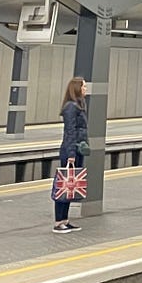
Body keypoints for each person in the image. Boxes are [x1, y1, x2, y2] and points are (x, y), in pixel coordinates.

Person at [53, 76, 88, 233]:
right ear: (77, 88)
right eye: (83, 86)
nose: (85, 89)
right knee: (64, 185)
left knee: (70, 186)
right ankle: (58, 221)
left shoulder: (78, 105)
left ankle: (65, 220)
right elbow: (70, 132)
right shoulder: (71, 107)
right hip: (70, 150)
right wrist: (71, 153)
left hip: (76, 149)